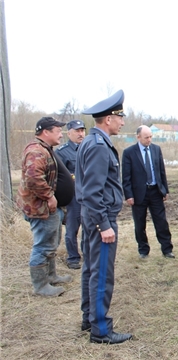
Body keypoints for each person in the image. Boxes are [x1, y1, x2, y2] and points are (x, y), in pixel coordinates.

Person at [75, 90, 132, 344]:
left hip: (91, 217)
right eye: (120, 117)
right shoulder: (99, 146)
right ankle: (101, 329)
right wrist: (104, 225)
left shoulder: (91, 141)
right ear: (108, 119)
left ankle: (89, 318)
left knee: (90, 268)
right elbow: (92, 191)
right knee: (101, 274)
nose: (122, 122)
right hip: (101, 219)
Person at [16, 117, 74, 297]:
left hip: (47, 209)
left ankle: (51, 276)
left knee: (51, 243)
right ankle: (41, 286)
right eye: (58, 131)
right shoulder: (36, 151)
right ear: (46, 132)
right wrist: (49, 196)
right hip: (39, 209)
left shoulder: (44, 149)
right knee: (43, 246)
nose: (61, 134)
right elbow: (33, 178)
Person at [122, 125, 174, 259]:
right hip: (139, 194)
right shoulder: (129, 153)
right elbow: (126, 176)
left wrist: (165, 190)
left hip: (155, 191)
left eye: (151, 137)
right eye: (146, 137)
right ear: (138, 137)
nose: (149, 140)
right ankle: (143, 250)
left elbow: (161, 171)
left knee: (161, 222)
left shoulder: (156, 149)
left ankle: (167, 249)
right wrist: (128, 195)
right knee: (140, 224)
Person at [56, 119, 86, 269]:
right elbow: (61, 176)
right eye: (77, 131)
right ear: (69, 133)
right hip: (74, 196)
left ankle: (88, 255)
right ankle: (73, 257)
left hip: (89, 195)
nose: (81, 134)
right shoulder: (62, 152)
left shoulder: (89, 148)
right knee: (72, 228)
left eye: (82, 130)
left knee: (89, 227)